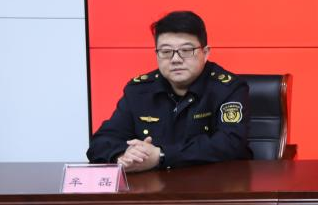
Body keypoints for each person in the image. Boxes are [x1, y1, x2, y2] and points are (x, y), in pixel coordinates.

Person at [87, 10, 250, 171]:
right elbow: (100, 142)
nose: (176, 59)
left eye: (186, 51)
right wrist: (124, 155)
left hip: (212, 184)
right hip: (150, 186)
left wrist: (162, 156)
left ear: (205, 53)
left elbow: (231, 143)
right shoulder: (139, 91)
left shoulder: (228, 88)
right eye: (166, 52)